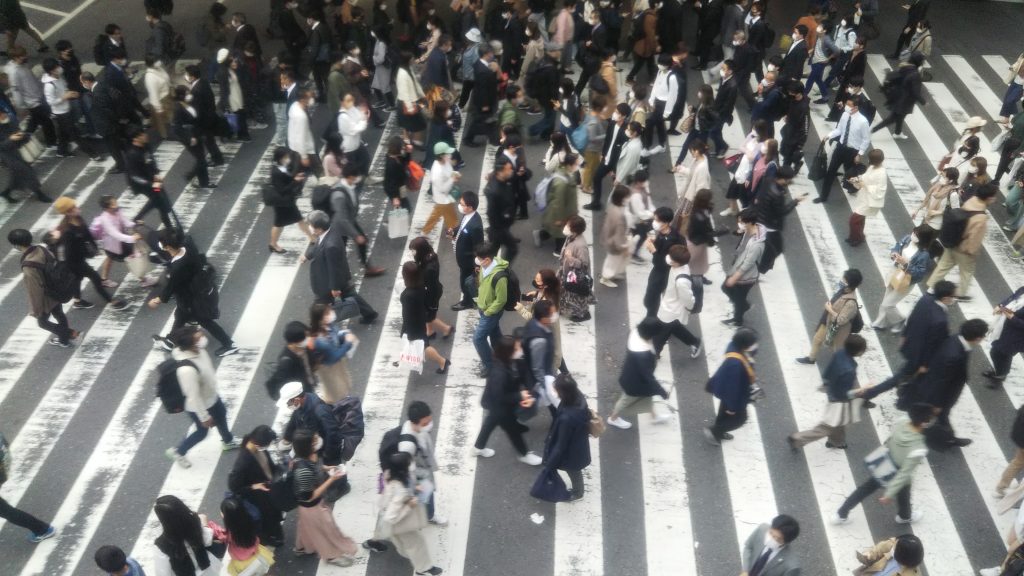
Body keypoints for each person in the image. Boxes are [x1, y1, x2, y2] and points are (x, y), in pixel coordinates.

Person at [832, 403, 934, 525]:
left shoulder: (903, 421)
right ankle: (905, 517)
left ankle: (841, 514)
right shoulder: (918, 448)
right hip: (898, 472)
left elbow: (890, 439)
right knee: (904, 493)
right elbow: (904, 474)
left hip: (886, 463)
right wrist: (889, 494)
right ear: (924, 422)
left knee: (864, 489)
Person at [148, 228, 239, 357]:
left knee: (204, 321)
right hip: (201, 290)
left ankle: (229, 344)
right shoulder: (188, 246)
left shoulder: (177, 268)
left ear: (167, 247)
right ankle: (169, 342)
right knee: (180, 315)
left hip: (195, 299)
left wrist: (156, 300)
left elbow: (170, 288)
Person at [861, 281, 956, 404]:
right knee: (902, 377)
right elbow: (932, 345)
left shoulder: (925, 300)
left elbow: (912, 318)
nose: (954, 299)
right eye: (953, 296)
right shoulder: (940, 320)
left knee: (906, 374)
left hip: (911, 346)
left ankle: (901, 390)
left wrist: (905, 335)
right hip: (920, 357)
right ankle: (870, 394)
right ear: (945, 298)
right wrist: (925, 365)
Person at [163, 326, 241, 468]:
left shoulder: (199, 351)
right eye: (198, 339)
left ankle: (228, 441)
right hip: (200, 406)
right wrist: (204, 417)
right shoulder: (186, 370)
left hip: (212, 397)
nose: (203, 339)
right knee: (202, 432)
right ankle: (179, 452)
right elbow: (193, 397)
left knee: (222, 415)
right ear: (190, 345)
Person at [907, 319, 988, 450]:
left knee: (935, 417)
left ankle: (947, 437)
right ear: (978, 338)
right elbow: (942, 381)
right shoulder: (954, 356)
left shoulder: (956, 339)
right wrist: (938, 404)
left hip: (935, 389)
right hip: (940, 396)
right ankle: (946, 439)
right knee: (934, 416)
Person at [289, 430, 359, 567]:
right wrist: (332, 479)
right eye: (315, 441)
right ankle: (332, 556)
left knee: (306, 527)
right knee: (326, 531)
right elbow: (310, 496)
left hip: (310, 507)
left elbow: (316, 467)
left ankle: (301, 548)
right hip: (312, 507)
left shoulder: (306, 457)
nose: (318, 440)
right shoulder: (302, 471)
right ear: (307, 446)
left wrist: (327, 469)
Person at [788, 334, 868, 451]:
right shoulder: (849, 370)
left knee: (840, 422)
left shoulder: (840, 353)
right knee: (828, 426)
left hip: (832, 391)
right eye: (863, 350)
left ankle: (837, 441)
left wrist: (826, 383)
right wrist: (859, 391)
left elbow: (829, 370)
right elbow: (845, 393)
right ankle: (798, 438)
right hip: (839, 401)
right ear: (857, 351)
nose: (863, 351)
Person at [472, 334, 542, 463]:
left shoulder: (515, 361)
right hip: (500, 406)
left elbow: (526, 376)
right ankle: (524, 454)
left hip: (502, 403)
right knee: (512, 430)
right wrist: (520, 395)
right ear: (507, 352)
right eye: (517, 349)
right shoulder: (498, 373)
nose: (520, 350)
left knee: (490, 422)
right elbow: (499, 397)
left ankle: (478, 447)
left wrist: (531, 394)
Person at [52, 197, 128, 310]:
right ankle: (112, 301)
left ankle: (77, 301)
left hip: (80, 259)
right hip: (74, 262)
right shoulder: (67, 231)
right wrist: (84, 255)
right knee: (96, 278)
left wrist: (94, 247)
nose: (78, 208)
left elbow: (87, 234)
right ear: (68, 212)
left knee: (78, 279)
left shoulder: (78, 219)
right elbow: (69, 253)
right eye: (74, 207)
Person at [373, 453, 443, 575]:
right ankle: (424, 568)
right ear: (403, 468)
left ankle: (405, 553)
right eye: (409, 463)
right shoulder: (400, 490)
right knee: (417, 544)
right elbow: (391, 517)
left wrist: (415, 487)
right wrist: (409, 506)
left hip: (387, 518)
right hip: (400, 524)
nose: (412, 465)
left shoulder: (390, 474)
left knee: (401, 541)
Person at [304, 209, 379, 324]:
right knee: (350, 295)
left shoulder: (330, 246)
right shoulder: (329, 230)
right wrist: (308, 255)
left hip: (328, 281)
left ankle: (315, 326)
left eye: (310, 225)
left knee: (319, 305)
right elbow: (319, 244)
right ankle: (369, 314)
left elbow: (333, 267)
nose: (309, 227)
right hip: (340, 275)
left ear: (318, 229)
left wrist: (334, 287)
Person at [926, 183, 997, 299]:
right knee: (966, 272)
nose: (995, 199)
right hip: (964, 249)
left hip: (952, 241)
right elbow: (974, 238)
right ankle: (961, 293)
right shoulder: (981, 217)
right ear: (989, 198)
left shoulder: (970, 202)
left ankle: (931, 288)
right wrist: (972, 252)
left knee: (943, 266)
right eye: (994, 196)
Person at [9, 228, 76, 347]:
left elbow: (34, 290)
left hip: (46, 297)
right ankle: (63, 341)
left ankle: (68, 334)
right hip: (57, 289)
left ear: (16, 245)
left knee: (43, 323)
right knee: (59, 314)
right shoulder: (41, 249)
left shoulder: (29, 266)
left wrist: (36, 310)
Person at [607, 317, 672, 429]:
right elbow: (648, 376)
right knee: (625, 401)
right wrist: (662, 392)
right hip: (635, 383)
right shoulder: (643, 355)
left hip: (631, 375)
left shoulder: (636, 333)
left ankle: (654, 416)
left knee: (648, 396)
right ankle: (613, 418)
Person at [227, 425, 285, 548]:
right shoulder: (243, 461)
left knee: (273, 516)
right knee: (268, 519)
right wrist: (254, 486)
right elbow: (234, 487)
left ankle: (275, 534)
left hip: (269, 487)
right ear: (259, 443)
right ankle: (270, 538)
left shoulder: (257, 448)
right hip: (259, 497)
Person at [872, 226, 936, 332]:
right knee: (886, 300)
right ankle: (880, 323)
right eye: (914, 232)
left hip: (906, 281)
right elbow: (897, 246)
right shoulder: (907, 239)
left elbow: (919, 274)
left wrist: (906, 264)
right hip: (895, 273)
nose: (913, 235)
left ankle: (900, 320)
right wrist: (894, 253)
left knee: (887, 305)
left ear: (923, 238)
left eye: (916, 234)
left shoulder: (924, 255)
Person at [541, 374, 592, 500]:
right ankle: (578, 491)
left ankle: (578, 493)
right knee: (575, 470)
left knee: (573, 470)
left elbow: (560, 446)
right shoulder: (578, 397)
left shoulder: (566, 418)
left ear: (563, 392)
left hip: (572, 452)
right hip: (579, 443)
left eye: (555, 389)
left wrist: (549, 464)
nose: (553, 391)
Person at [704, 327, 759, 445]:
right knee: (740, 418)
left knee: (723, 413)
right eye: (753, 343)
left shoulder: (734, 347)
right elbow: (732, 389)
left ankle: (719, 431)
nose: (755, 345)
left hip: (725, 387)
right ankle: (715, 431)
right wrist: (732, 408)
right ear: (745, 345)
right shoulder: (736, 365)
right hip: (735, 394)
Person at [796, 268, 862, 365]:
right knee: (817, 339)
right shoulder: (843, 290)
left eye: (844, 280)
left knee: (837, 348)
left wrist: (829, 309)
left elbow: (841, 320)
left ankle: (842, 366)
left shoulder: (851, 303)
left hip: (838, 329)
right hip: (827, 321)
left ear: (850, 283)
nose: (841, 281)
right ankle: (811, 358)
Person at [399, 401, 447, 525]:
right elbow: (406, 468)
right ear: (415, 422)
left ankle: (427, 514)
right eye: (425, 423)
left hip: (423, 468)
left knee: (426, 494)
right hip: (418, 474)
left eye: (430, 420)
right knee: (426, 494)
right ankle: (429, 516)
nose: (429, 425)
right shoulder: (407, 445)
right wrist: (415, 484)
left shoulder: (416, 428)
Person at [817, 95, 871, 204]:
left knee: (850, 174)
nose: (846, 106)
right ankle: (823, 196)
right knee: (830, 171)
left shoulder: (863, 122)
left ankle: (854, 187)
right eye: (847, 104)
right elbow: (839, 130)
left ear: (856, 107)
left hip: (852, 152)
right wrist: (829, 135)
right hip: (840, 148)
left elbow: (866, 140)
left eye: (849, 105)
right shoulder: (845, 115)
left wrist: (859, 154)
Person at [151, 495, 223, 576]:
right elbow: (207, 540)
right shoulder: (194, 523)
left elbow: (163, 573)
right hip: (208, 569)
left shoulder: (161, 545)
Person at [400, 261, 450, 374]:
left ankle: (442, 361)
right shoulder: (421, 286)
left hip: (413, 326)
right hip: (420, 320)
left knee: (423, 346)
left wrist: (406, 331)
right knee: (422, 344)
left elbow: (407, 315)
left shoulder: (409, 295)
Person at [652, 244, 702, 357]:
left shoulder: (681, 281)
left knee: (662, 331)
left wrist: (689, 308)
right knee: (673, 327)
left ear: (678, 262)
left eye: (672, 258)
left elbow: (687, 299)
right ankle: (694, 342)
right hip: (669, 304)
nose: (669, 258)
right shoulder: (679, 266)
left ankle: (655, 353)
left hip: (672, 309)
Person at [722, 210, 765, 327]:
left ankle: (738, 319)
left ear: (750, 222)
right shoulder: (749, 229)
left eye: (741, 222)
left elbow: (748, 264)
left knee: (735, 295)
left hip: (746, 277)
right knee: (729, 290)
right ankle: (743, 306)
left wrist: (734, 278)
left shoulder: (757, 244)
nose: (739, 223)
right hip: (737, 265)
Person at [308, 302, 358, 402]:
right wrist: (348, 343)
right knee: (335, 392)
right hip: (328, 367)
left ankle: (342, 403)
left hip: (336, 364)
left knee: (343, 386)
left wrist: (343, 335)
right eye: (327, 313)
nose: (331, 313)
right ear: (320, 319)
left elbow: (335, 335)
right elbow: (334, 357)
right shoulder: (319, 339)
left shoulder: (328, 325)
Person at [125, 127, 174, 229]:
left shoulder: (146, 146)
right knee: (159, 200)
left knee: (158, 199)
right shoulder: (132, 154)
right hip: (143, 185)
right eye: (142, 135)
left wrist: (156, 173)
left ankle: (138, 218)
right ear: (135, 139)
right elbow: (134, 176)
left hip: (152, 180)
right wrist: (151, 184)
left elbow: (151, 160)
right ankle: (169, 227)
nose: (145, 135)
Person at [473, 241, 509, 376]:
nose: (477, 260)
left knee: (478, 338)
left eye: (479, 258)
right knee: (495, 333)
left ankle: (490, 365)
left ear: (487, 259)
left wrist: (488, 312)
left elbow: (501, 300)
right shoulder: (484, 267)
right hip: (483, 307)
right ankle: (503, 355)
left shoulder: (499, 277)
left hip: (490, 312)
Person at [267, 147, 312, 253]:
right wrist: (295, 181)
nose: (288, 159)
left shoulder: (280, 167)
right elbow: (282, 189)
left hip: (286, 201)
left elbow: (285, 181)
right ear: (280, 158)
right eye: (286, 157)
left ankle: (312, 238)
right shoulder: (276, 172)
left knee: (295, 220)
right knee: (280, 224)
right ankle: (273, 244)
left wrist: (294, 178)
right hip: (282, 202)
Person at [171, 85, 216, 191]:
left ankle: (204, 182)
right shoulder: (178, 108)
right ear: (181, 95)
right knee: (201, 160)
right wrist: (189, 138)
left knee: (201, 158)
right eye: (187, 93)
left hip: (196, 134)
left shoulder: (189, 104)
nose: (189, 95)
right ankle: (190, 176)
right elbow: (177, 128)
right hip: (189, 138)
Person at [872, 52, 926, 140]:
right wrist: (924, 102)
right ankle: (872, 131)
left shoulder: (906, 67)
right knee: (892, 118)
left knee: (900, 116)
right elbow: (915, 92)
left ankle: (898, 132)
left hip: (898, 96)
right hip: (904, 101)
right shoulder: (915, 74)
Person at [0, 108, 49, 203]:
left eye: (3, 113)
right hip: (5, 154)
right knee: (26, 171)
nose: (3, 116)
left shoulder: (11, 119)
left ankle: (6, 193)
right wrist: (10, 139)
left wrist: (23, 136)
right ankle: (40, 194)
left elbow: (17, 132)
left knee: (17, 174)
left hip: (14, 150)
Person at [219, 496, 275, 576]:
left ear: (227, 518)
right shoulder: (250, 522)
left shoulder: (230, 533)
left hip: (241, 563)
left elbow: (222, 538)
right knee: (263, 571)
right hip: (256, 555)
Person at [184, 65, 225, 167]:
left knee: (209, 141)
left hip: (204, 121)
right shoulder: (203, 82)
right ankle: (217, 157)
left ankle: (217, 159)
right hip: (210, 116)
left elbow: (197, 110)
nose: (186, 76)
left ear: (192, 77)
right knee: (210, 140)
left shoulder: (196, 91)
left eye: (187, 75)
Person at [450, 192, 485, 311]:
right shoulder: (468, 215)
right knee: (465, 281)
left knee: (465, 283)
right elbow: (462, 227)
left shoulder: (475, 226)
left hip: (468, 262)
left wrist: (477, 265)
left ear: (470, 207)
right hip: (463, 260)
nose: (459, 205)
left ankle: (467, 301)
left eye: (462, 204)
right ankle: (469, 299)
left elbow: (478, 247)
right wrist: (454, 231)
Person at [846, 149, 887, 247]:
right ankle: (857, 237)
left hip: (870, 201)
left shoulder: (881, 174)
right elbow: (865, 177)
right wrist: (856, 180)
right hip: (865, 198)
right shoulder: (872, 167)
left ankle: (857, 238)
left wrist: (864, 185)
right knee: (860, 219)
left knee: (854, 220)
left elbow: (880, 191)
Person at [985, 286, 1024, 387]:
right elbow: (1013, 297)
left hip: (1017, 336)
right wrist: (1001, 305)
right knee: (1000, 353)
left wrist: (1012, 317)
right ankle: (999, 372)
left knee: (999, 353)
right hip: (1005, 327)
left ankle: (1000, 375)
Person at [559, 214, 594, 322]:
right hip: (567, 272)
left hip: (576, 277)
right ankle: (566, 309)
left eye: (568, 226)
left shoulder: (580, 245)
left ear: (575, 229)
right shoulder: (571, 237)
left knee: (576, 296)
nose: (566, 227)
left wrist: (570, 258)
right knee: (567, 293)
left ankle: (580, 314)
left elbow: (584, 264)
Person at [485, 155, 519, 262]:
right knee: (513, 248)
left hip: (502, 224)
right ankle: (504, 269)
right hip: (499, 227)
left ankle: (488, 266)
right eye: (508, 169)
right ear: (500, 171)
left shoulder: (501, 179)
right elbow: (491, 213)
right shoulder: (495, 191)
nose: (511, 171)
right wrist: (499, 229)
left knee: (494, 247)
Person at [422, 142, 461, 235]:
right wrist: (452, 179)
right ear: (441, 156)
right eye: (447, 153)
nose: (449, 155)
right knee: (449, 216)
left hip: (445, 197)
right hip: (443, 198)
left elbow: (449, 170)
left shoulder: (444, 161)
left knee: (437, 214)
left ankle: (425, 231)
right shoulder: (437, 172)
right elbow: (442, 189)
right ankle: (454, 231)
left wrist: (454, 174)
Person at [464, 44, 498, 147]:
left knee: (486, 120)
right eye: (491, 53)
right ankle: (469, 139)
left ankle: (493, 138)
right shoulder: (484, 71)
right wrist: (485, 104)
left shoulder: (478, 64)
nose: (492, 55)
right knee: (481, 120)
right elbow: (483, 89)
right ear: (486, 54)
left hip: (481, 99)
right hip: (484, 101)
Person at [599, 185, 631, 287]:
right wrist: (623, 247)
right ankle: (605, 277)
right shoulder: (620, 216)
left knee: (613, 260)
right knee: (612, 262)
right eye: (627, 196)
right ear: (622, 198)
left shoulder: (612, 206)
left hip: (609, 239)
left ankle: (614, 273)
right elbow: (619, 235)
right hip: (615, 243)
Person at [853, 534, 924, 575]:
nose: (892, 544)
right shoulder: (897, 546)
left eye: (894, 547)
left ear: (901, 556)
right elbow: (880, 548)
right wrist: (871, 553)